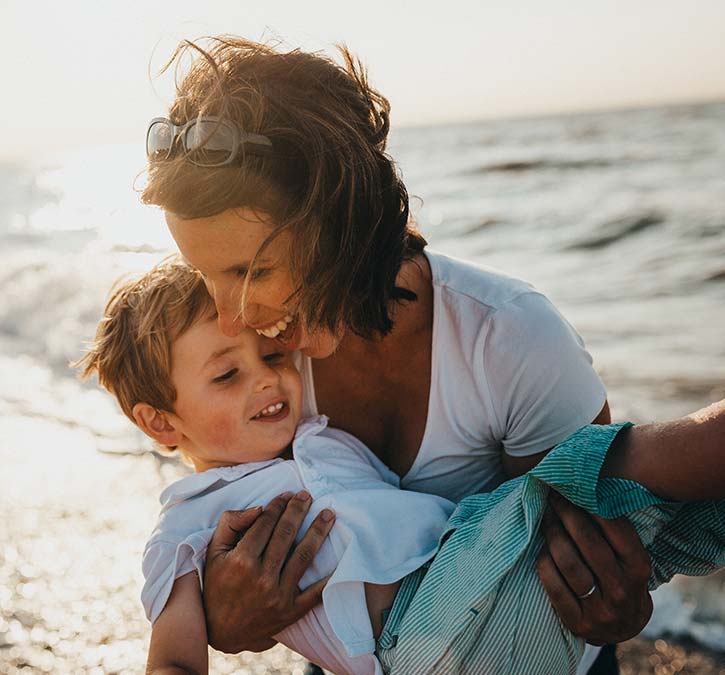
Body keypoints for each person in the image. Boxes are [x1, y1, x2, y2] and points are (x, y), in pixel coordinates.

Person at [141, 36, 652, 673]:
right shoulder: (257, 364)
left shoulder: (510, 340)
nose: (230, 316)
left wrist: (618, 605)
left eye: (251, 270)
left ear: (342, 221)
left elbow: (589, 555)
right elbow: (223, 507)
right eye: (204, 275)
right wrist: (226, 617)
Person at [78, 258, 725, 675]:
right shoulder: (187, 524)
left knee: (677, 517)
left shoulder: (320, 438)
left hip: (491, 603)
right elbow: (174, 660)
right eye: (226, 373)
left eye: (270, 356)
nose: (267, 379)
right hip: (420, 633)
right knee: (606, 468)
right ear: (161, 423)